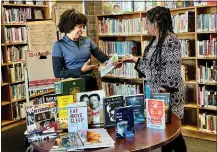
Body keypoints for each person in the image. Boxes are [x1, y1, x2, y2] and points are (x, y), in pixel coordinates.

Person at [121, 6, 187, 152]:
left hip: (169, 95)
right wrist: (134, 59)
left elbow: (172, 71)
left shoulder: (170, 40)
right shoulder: (155, 41)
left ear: (155, 24)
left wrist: (161, 98)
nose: (145, 26)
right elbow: (151, 65)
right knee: (165, 133)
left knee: (172, 131)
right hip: (158, 94)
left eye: (147, 22)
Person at [52, 8, 109, 91]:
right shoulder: (59, 45)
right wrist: (81, 70)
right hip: (73, 86)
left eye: (83, 27)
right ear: (69, 27)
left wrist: (113, 63)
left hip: (91, 83)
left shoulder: (87, 40)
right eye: (79, 27)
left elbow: (103, 58)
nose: (82, 30)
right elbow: (58, 73)